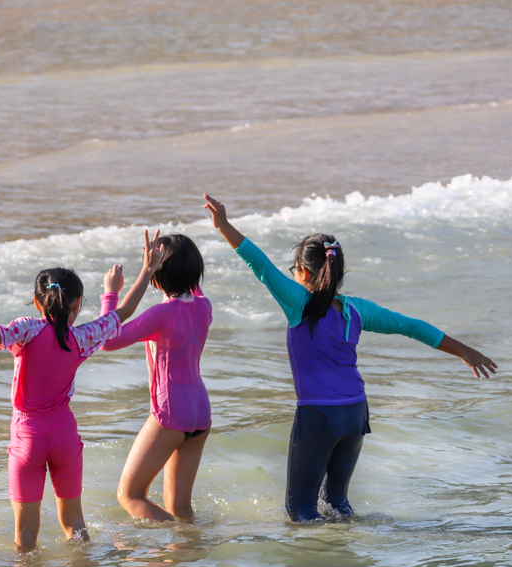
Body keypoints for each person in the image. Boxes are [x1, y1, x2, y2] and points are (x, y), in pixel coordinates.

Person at [203, 194, 497, 522]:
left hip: (319, 414)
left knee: (300, 508)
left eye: (293, 270)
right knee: (336, 503)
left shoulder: (298, 302)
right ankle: (350, 556)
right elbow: (410, 326)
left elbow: (259, 265)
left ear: (301, 271)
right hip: (355, 412)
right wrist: (464, 351)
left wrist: (225, 226)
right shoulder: (358, 309)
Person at [0, 230, 165, 550]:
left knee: (26, 535)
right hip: (64, 437)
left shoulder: (26, 330)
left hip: (27, 436)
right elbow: (122, 313)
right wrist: (147, 270)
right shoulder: (82, 337)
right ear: (77, 304)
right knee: (75, 525)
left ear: (39, 300)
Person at [99, 233, 212, 522]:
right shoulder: (204, 306)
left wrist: (111, 293)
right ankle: (187, 558)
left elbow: (107, 340)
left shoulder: (161, 315)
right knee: (181, 509)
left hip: (171, 412)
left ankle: (170, 550)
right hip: (200, 411)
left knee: (130, 495)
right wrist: (159, 266)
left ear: (157, 276)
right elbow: (187, 279)